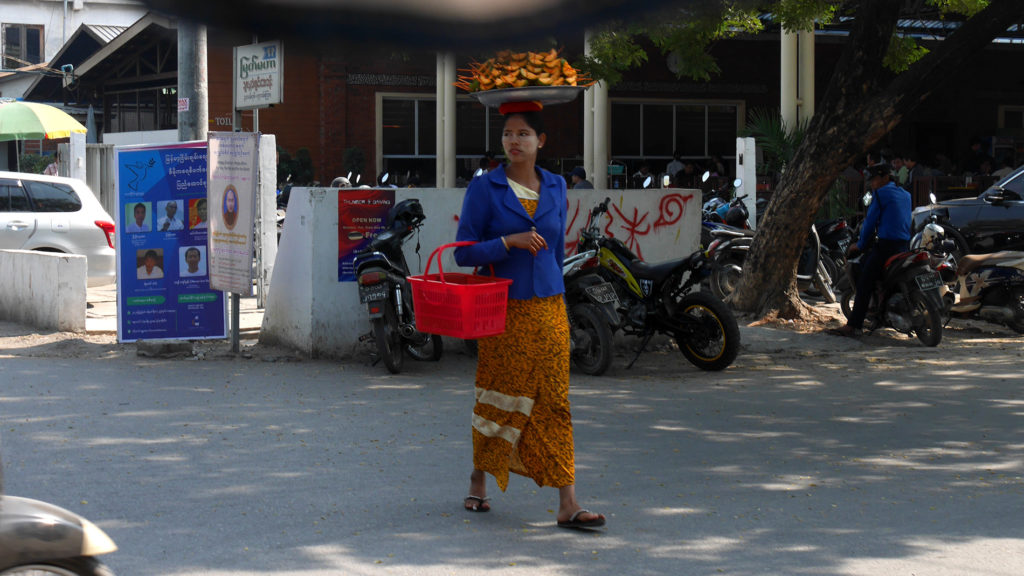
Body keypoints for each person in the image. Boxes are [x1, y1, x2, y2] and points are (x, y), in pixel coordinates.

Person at [453, 101, 606, 530]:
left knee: (556, 400)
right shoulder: (485, 188)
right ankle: (479, 478)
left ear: (541, 141)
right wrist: (508, 243)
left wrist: (559, 290)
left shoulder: (557, 186)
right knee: (499, 396)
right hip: (502, 310)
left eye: (523, 134)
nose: (513, 141)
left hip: (550, 308)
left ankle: (568, 502)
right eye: (507, 134)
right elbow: (464, 252)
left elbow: (555, 250)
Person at [831, 163, 911, 338]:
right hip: (905, 245)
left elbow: (869, 224)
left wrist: (859, 245)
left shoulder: (881, 194)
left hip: (886, 246)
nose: (872, 183)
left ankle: (854, 325)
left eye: (874, 179)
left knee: (865, 282)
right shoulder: (906, 194)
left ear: (885, 178)